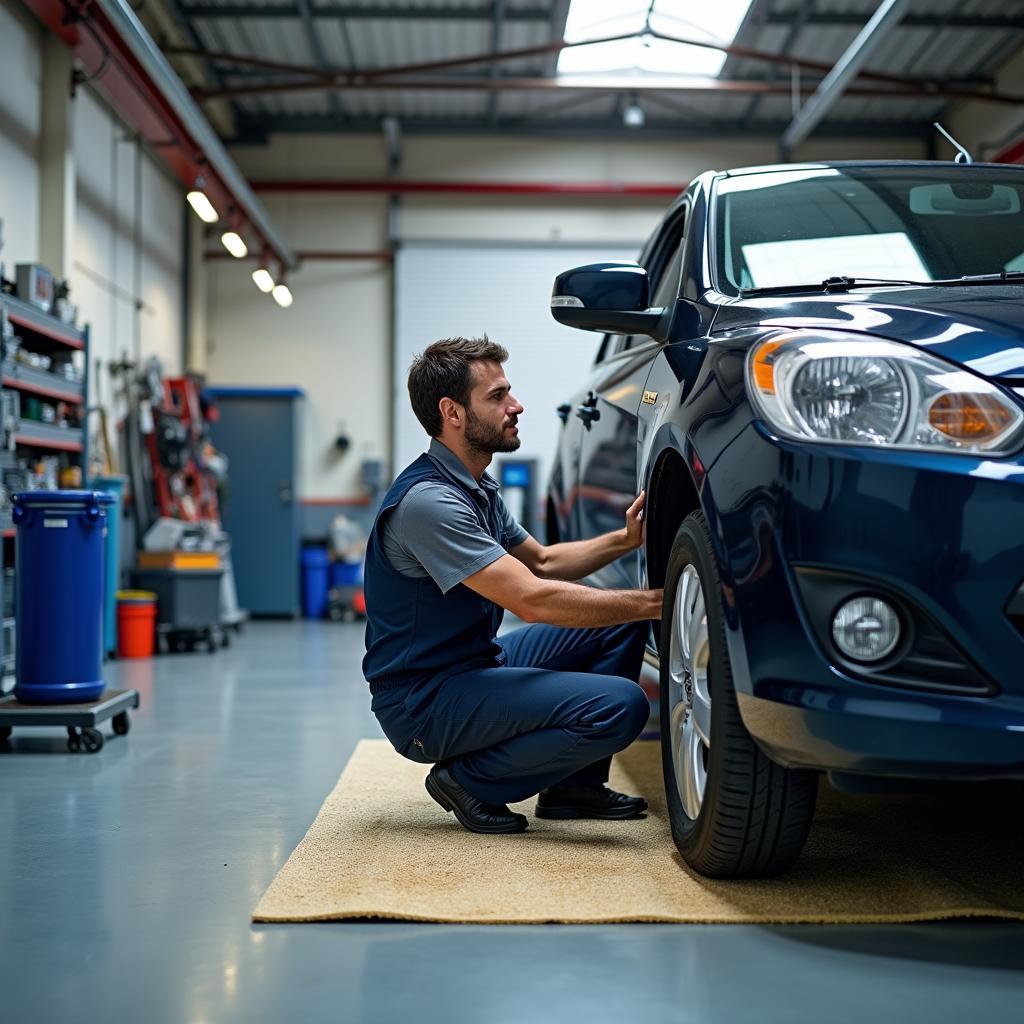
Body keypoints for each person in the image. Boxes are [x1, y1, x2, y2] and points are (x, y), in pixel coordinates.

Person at [363, 336, 664, 835]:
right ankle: (468, 781)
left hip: (476, 665)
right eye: (498, 396)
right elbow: (532, 599)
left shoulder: (475, 487)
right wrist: (658, 602)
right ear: (452, 412)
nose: (516, 405)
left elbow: (542, 563)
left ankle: (573, 788)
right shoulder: (429, 503)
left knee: (617, 622)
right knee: (623, 704)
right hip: (424, 701)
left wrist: (624, 540)